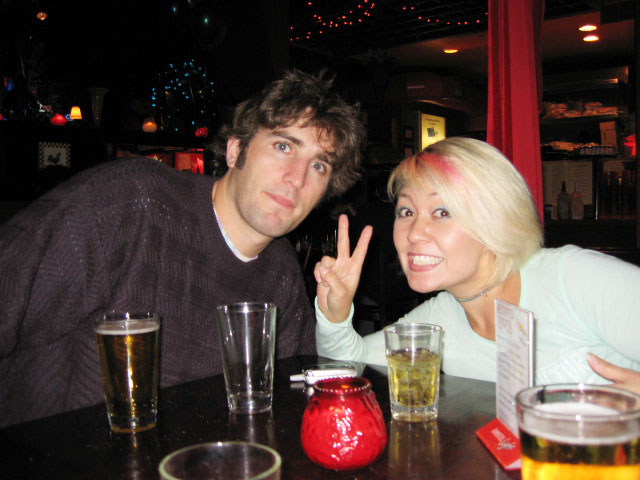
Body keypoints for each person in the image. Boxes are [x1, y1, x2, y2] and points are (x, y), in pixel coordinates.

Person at [0, 70, 366, 427]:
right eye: (283, 146)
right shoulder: (130, 204)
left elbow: (296, 399)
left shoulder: (282, 270)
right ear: (236, 150)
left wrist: (335, 321)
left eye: (319, 165)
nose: (297, 179)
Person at [314, 137, 640, 387]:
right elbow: (346, 367)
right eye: (407, 211)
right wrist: (335, 316)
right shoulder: (441, 317)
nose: (413, 233)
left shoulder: (573, 278)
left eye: (442, 212)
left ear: (495, 218)